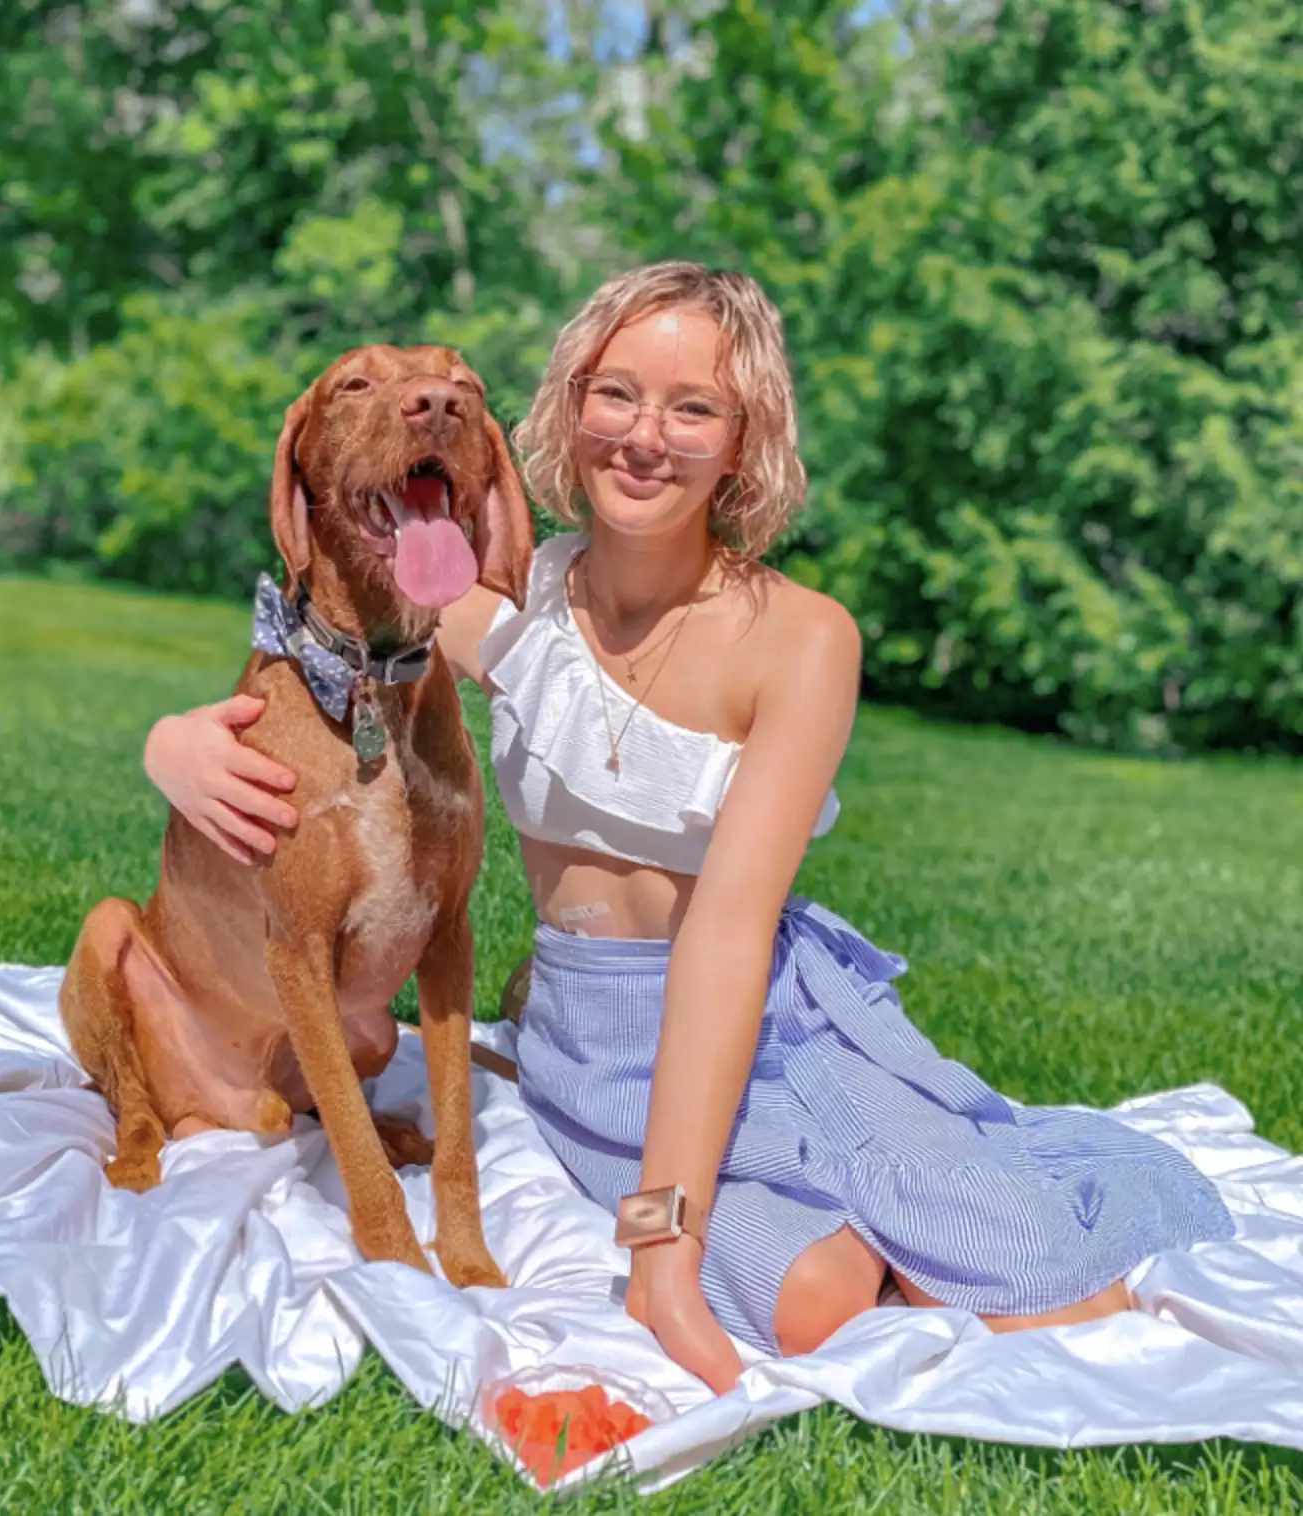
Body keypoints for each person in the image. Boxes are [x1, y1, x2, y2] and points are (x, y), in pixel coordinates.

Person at [143, 261, 1234, 1393]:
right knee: (807, 1304)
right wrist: (172, 744)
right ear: (571, 405)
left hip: (760, 1017)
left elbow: (726, 937)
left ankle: (935, 1183)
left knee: (1039, 1289)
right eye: (616, 393)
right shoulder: (500, 600)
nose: (645, 436)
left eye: (693, 407)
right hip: (586, 1046)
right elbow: (316, 611)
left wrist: (665, 1236)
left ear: (743, 439)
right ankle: (884, 1228)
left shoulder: (802, 639)